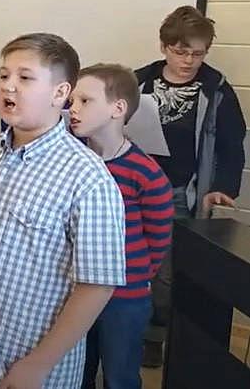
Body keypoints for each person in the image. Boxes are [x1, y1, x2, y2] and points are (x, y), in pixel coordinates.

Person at [0, 33, 126, 388]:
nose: (8, 86)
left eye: (25, 78)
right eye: (4, 75)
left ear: (59, 93)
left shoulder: (87, 177)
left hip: (33, 367)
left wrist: (38, 364)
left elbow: (97, 285)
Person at [134, 5, 246, 367]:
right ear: (164, 46)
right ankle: (127, 329)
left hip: (182, 192)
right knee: (130, 262)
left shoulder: (217, 90)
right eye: (181, 51)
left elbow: (232, 144)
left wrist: (224, 186)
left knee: (165, 273)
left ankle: (155, 335)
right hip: (134, 191)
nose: (188, 61)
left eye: (198, 54)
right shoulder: (139, 81)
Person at [69, 64, 173, 389]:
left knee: (120, 376)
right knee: (76, 373)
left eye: (85, 101)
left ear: (118, 109)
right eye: (72, 100)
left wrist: (133, 276)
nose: (73, 109)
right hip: (74, 292)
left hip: (124, 298)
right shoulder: (70, 162)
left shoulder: (145, 173)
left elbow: (158, 236)